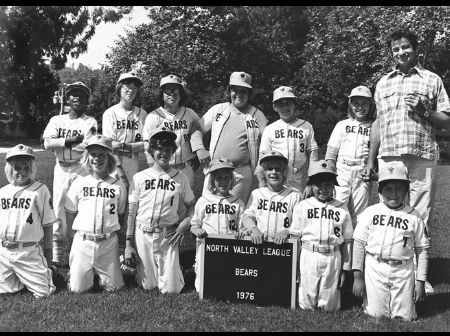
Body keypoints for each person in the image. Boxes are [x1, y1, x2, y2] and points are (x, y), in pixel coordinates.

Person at [363, 29, 450, 232]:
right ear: (392, 53)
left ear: (416, 49)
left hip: (422, 154)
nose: (401, 52)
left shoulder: (432, 79)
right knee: (389, 211)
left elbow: (446, 121)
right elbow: (377, 124)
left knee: (420, 214)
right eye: (396, 49)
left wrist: (425, 110)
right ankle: (391, 260)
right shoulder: (383, 83)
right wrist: (370, 161)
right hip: (390, 155)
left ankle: (419, 262)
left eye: (405, 47)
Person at [352, 162, 430, 321]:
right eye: (388, 189)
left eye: (399, 188)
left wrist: (420, 282)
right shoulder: (370, 212)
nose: (393, 193)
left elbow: (422, 251)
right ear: (380, 191)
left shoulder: (414, 216)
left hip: (403, 270)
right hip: (375, 268)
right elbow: (359, 245)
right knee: (376, 315)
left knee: (405, 317)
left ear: (406, 191)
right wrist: (358, 278)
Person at [124, 126, 195, 294]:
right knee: (148, 286)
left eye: (168, 150)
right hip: (143, 234)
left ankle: (176, 267)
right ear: (151, 151)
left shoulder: (180, 178)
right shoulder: (140, 177)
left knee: (172, 290)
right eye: (159, 149)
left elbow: (192, 207)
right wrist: (128, 244)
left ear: (173, 152)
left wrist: (185, 223)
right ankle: (137, 264)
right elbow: (131, 213)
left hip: (167, 235)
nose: (164, 154)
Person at [42, 81, 98, 267]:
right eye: (73, 94)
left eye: (81, 95)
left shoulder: (90, 121)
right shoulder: (56, 120)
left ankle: (79, 251)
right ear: (67, 98)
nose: (77, 98)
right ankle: (57, 256)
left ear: (86, 100)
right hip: (62, 167)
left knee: (80, 207)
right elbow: (47, 143)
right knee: (58, 208)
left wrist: (63, 141)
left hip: (81, 167)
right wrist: (69, 140)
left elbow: (88, 145)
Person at [191, 71, 268, 204]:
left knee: (235, 211)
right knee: (209, 209)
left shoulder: (258, 115)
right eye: (235, 90)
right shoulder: (218, 109)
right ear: (229, 91)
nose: (239, 94)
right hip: (215, 169)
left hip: (242, 172)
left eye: (244, 91)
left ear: (249, 93)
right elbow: (196, 128)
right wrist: (199, 149)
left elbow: (267, 142)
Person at [64, 135, 127, 293]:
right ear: (87, 157)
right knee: (77, 289)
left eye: (102, 154)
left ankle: (101, 272)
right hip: (83, 241)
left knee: (115, 288)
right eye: (93, 154)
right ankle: (79, 271)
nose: (97, 159)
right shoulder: (79, 183)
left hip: (108, 243)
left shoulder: (118, 185)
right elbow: (70, 213)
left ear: (109, 158)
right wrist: (73, 237)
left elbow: (120, 214)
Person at [290, 160, 353, 311]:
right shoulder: (303, 206)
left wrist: (345, 268)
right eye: (319, 184)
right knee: (306, 303)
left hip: (333, 254)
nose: (323, 189)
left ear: (334, 185)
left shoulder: (342, 208)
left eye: (328, 185)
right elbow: (295, 237)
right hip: (309, 253)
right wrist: (294, 266)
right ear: (311, 185)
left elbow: (348, 241)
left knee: (330, 305)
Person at [0, 144, 56, 298]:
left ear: (32, 169)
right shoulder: (3, 192)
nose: (22, 172)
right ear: (10, 169)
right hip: (4, 252)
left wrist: (49, 253)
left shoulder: (40, 190)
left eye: (26, 168)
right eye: (18, 168)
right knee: (6, 291)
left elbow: (48, 223)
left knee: (44, 292)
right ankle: (20, 276)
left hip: (28, 251)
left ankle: (46, 271)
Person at [102, 71, 148, 257]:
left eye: (134, 86)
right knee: (114, 204)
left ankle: (126, 249)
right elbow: (108, 144)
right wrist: (120, 167)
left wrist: (124, 146)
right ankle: (111, 248)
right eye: (126, 86)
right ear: (119, 88)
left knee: (131, 206)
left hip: (133, 163)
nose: (130, 89)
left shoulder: (142, 114)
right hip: (113, 164)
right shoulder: (110, 112)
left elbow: (146, 144)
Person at [190, 157, 246, 292]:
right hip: (207, 248)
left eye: (227, 178)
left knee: (228, 286)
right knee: (202, 288)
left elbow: (243, 226)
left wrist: (242, 232)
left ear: (232, 180)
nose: (223, 182)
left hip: (230, 250)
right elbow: (194, 224)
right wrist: (196, 229)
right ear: (212, 180)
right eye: (219, 178)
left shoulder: (238, 203)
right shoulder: (203, 201)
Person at [325, 85, 376, 228]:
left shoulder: (374, 127)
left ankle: (354, 247)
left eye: (364, 103)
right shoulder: (342, 124)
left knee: (359, 215)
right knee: (337, 208)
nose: (360, 107)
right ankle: (335, 245)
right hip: (342, 170)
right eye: (356, 103)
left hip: (362, 171)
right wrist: (330, 170)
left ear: (370, 105)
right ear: (350, 105)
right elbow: (331, 151)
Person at [143, 74, 201, 189]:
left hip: (186, 168)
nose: (172, 94)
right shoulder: (154, 116)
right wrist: (152, 167)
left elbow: (200, 130)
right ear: (161, 94)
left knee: (186, 204)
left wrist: (198, 154)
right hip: (163, 169)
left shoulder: (189, 113)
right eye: (167, 91)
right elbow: (147, 144)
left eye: (176, 90)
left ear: (181, 94)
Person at [258, 86, 319, 194]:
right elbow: (262, 158)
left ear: (294, 104)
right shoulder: (270, 129)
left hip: (299, 177)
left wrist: (311, 181)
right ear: (274, 107)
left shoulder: (306, 126)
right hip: (276, 177)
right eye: (280, 104)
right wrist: (262, 182)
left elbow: (313, 156)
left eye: (288, 103)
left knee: (299, 207)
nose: (285, 107)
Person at [242, 151, 302, 245]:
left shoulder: (294, 196)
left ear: (285, 172)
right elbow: (247, 217)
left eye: (278, 169)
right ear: (263, 172)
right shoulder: (257, 194)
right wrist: (254, 229)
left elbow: (300, 223)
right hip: (260, 244)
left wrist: (287, 231)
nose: (274, 172)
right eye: (270, 169)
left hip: (284, 246)